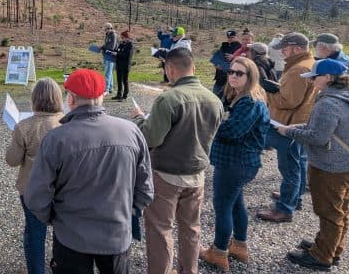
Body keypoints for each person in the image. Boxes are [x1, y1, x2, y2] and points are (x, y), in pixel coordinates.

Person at [26, 69, 154, 274]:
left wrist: (54, 219)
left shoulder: (56, 139)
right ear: (102, 96)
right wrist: (129, 212)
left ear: (71, 99)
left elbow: (36, 195)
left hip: (70, 236)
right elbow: (146, 189)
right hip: (116, 234)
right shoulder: (131, 131)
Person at [131, 48, 223, 274]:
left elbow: (151, 138)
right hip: (197, 173)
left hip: (166, 174)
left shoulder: (168, 99)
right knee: (191, 228)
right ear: (192, 66)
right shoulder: (214, 99)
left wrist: (139, 119)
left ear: (170, 68)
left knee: (161, 229)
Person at [276, 59, 349, 271]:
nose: (313, 81)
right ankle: (332, 247)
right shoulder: (348, 96)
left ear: (329, 78)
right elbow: (326, 128)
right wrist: (301, 126)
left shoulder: (328, 103)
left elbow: (318, 137)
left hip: (330, 166)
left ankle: (322, 256)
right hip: (347, 163)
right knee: (340, 209)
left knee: (328, 211)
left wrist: (289, 131)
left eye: (315, 77)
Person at [199, 57, 270, 271]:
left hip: (235, 164)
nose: (232, 76)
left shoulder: (250, 101)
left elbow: (232, 131)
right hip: (237, 163)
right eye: (231, 72)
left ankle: (219, 252)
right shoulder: (242, 98)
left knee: (223, 208)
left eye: (239, 73)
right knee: (236, 204)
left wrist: (208, 121)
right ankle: (239, 245)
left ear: (251, 77)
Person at [5, 78, 65, 274]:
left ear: (34, 99)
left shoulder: (24, 126)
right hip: (62, 188)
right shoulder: (66, 123)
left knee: (34, 233)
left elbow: (12, 160)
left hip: (32, 189)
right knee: (63, 233)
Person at [257, 32, 317, 223]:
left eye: (285, 48)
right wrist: (277, 86)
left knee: (290, 168)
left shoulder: (297, 69)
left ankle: (285, 209)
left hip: (288, 124)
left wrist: (267, 91)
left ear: (297, 48)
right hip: (300, 121)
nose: (282, 52)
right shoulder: (309, 64)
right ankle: (294, 198)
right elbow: (295, 95)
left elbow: (288, 101)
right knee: (298, 162)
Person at [211, 30, 242, 96]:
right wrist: (216, 64)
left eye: (232, 37)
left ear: (237, 37)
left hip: (231, 76)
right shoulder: (224, 46)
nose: (230, 39)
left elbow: (244, 60)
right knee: (215, 95)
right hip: (220, 76)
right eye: (229, 37)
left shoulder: (240, 47)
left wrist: (234, 57)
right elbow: (217, 58)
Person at [113, 30, 134, 100]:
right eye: (121, 38)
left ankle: (125, 95)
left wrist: (117, 54)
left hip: (125, 66)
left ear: (127, 37)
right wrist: (114, 53)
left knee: (125, 80)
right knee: (119, 80)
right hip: (119, 64)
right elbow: (118, 50)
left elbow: (127, 55)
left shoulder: (130, 45)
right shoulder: (121, 44)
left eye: (123, 37)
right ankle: (119, 94)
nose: (122, 39)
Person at [100, 23, 118, 94]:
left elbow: (112, 47)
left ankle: (106, 89)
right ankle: (110, 87)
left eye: (105, 28)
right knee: (109, 72)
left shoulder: (113, 35)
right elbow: (106, 44)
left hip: (110, 56)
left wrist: (105, 49)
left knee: (107, 72)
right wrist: (102, 47)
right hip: (106, 55)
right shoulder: (108, 35)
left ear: (108, 28)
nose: (104, 30)